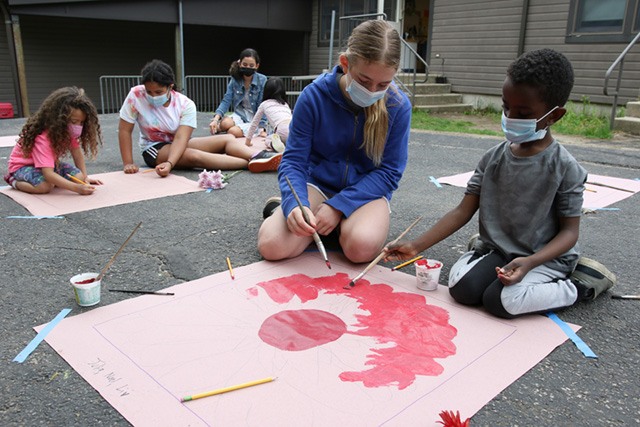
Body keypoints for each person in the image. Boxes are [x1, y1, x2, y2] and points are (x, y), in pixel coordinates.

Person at [383, 49, 616, 319]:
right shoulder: (493, 158)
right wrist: (416, 246)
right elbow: (462, 211)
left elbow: (569, 233)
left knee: (501, 302)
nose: (510, 117)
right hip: (500, 250)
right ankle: (482, 250)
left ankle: (580, 284)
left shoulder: (566, 168)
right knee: (462, 290)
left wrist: (531, 262)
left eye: (523, 113)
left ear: (555, 115)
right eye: (506, 107)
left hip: (543, 258)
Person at [257, 20, 412, 264]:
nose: (372, 91)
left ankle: (340, 223)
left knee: (361, 248)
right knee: (271, 245)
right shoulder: (313, 96)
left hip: (365, 193)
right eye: (363, 81)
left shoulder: (398, 106)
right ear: (345, 63)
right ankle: (300, 213)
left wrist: (339, 206)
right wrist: (295, 203)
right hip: (318, 184)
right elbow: (294, 161)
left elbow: (390, 172)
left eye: (383, 84)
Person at [119, 59, 277, 175]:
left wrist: (171, 162)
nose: (153, 96)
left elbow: (181, 138)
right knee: (194, 157)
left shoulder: (185, 104)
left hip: (179, 141)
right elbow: (125, 130)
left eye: (158, 92)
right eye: (149, 92)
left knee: (227, 138)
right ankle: (252, 164)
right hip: (154, 147)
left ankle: (258, 156)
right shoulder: (136, 95)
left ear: (170, 87)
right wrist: (129, 163)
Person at [4, 86, 103, 195]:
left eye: (81, 122)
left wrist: (85, 178)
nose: (78, 126)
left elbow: (76, 152)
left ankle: (54, 180)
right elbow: (48, 174)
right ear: (59, 119)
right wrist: (76, 188)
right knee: (45, 186)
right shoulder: (43, 137)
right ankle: (13, 181)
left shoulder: (68, 131)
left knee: (79, 177)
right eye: (74, 122)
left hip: (47, 165)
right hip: (23, 166)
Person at [209, 48, 268, 138]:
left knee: (232, 132)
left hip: (256, 117)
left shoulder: (262, 80)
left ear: (257, 66)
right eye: (245, 64)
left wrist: (261, 128)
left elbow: (263, 105)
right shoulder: (235, 79)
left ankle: (232, 130)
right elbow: (226, 100)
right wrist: (216, 119)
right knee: (224, 123)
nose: (248, 67)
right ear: (240, 64)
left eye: (251, 65)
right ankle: (221, 128)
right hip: (241, 114)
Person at [245, 78, 292, 153]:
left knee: (268, 139)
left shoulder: (264, 104)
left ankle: (273, 144)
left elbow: (254, 123)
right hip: (294, 129)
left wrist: (248, 141)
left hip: (282, 130)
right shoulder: (285, 104)